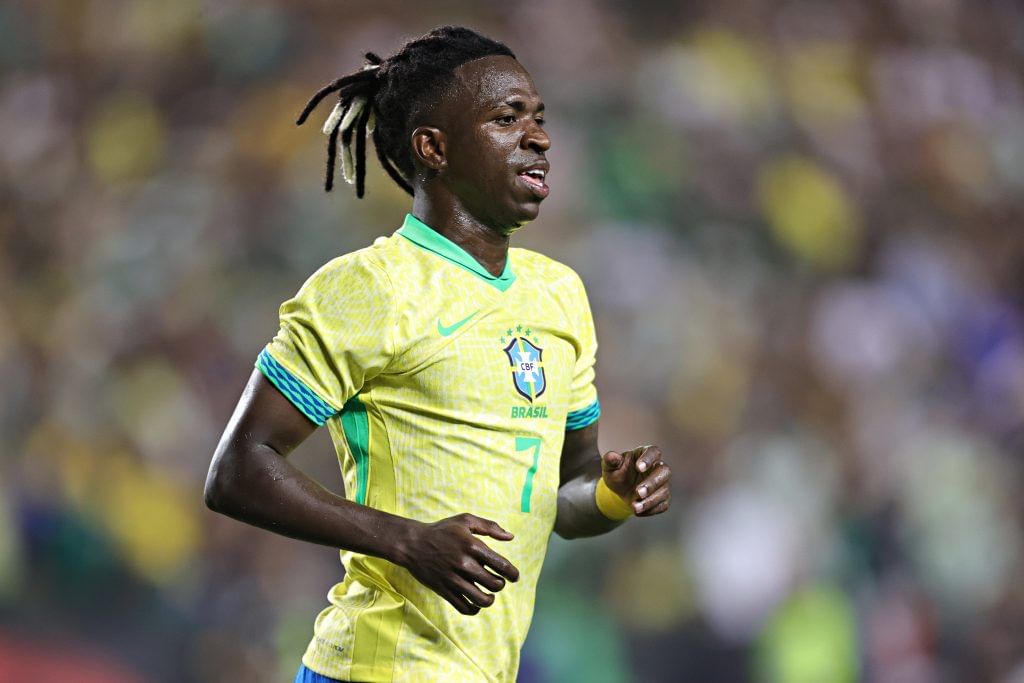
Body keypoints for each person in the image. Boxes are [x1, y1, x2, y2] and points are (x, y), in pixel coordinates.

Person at [204, 25, 672, 683]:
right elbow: (236, 469)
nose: (538, 138)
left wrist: (615, 494)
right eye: (506, 118)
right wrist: (407, 540)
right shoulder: (368, 286)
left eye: (538, 118)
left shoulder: (560, 295)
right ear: (434, 146)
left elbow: (563, 498)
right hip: (373, 670)